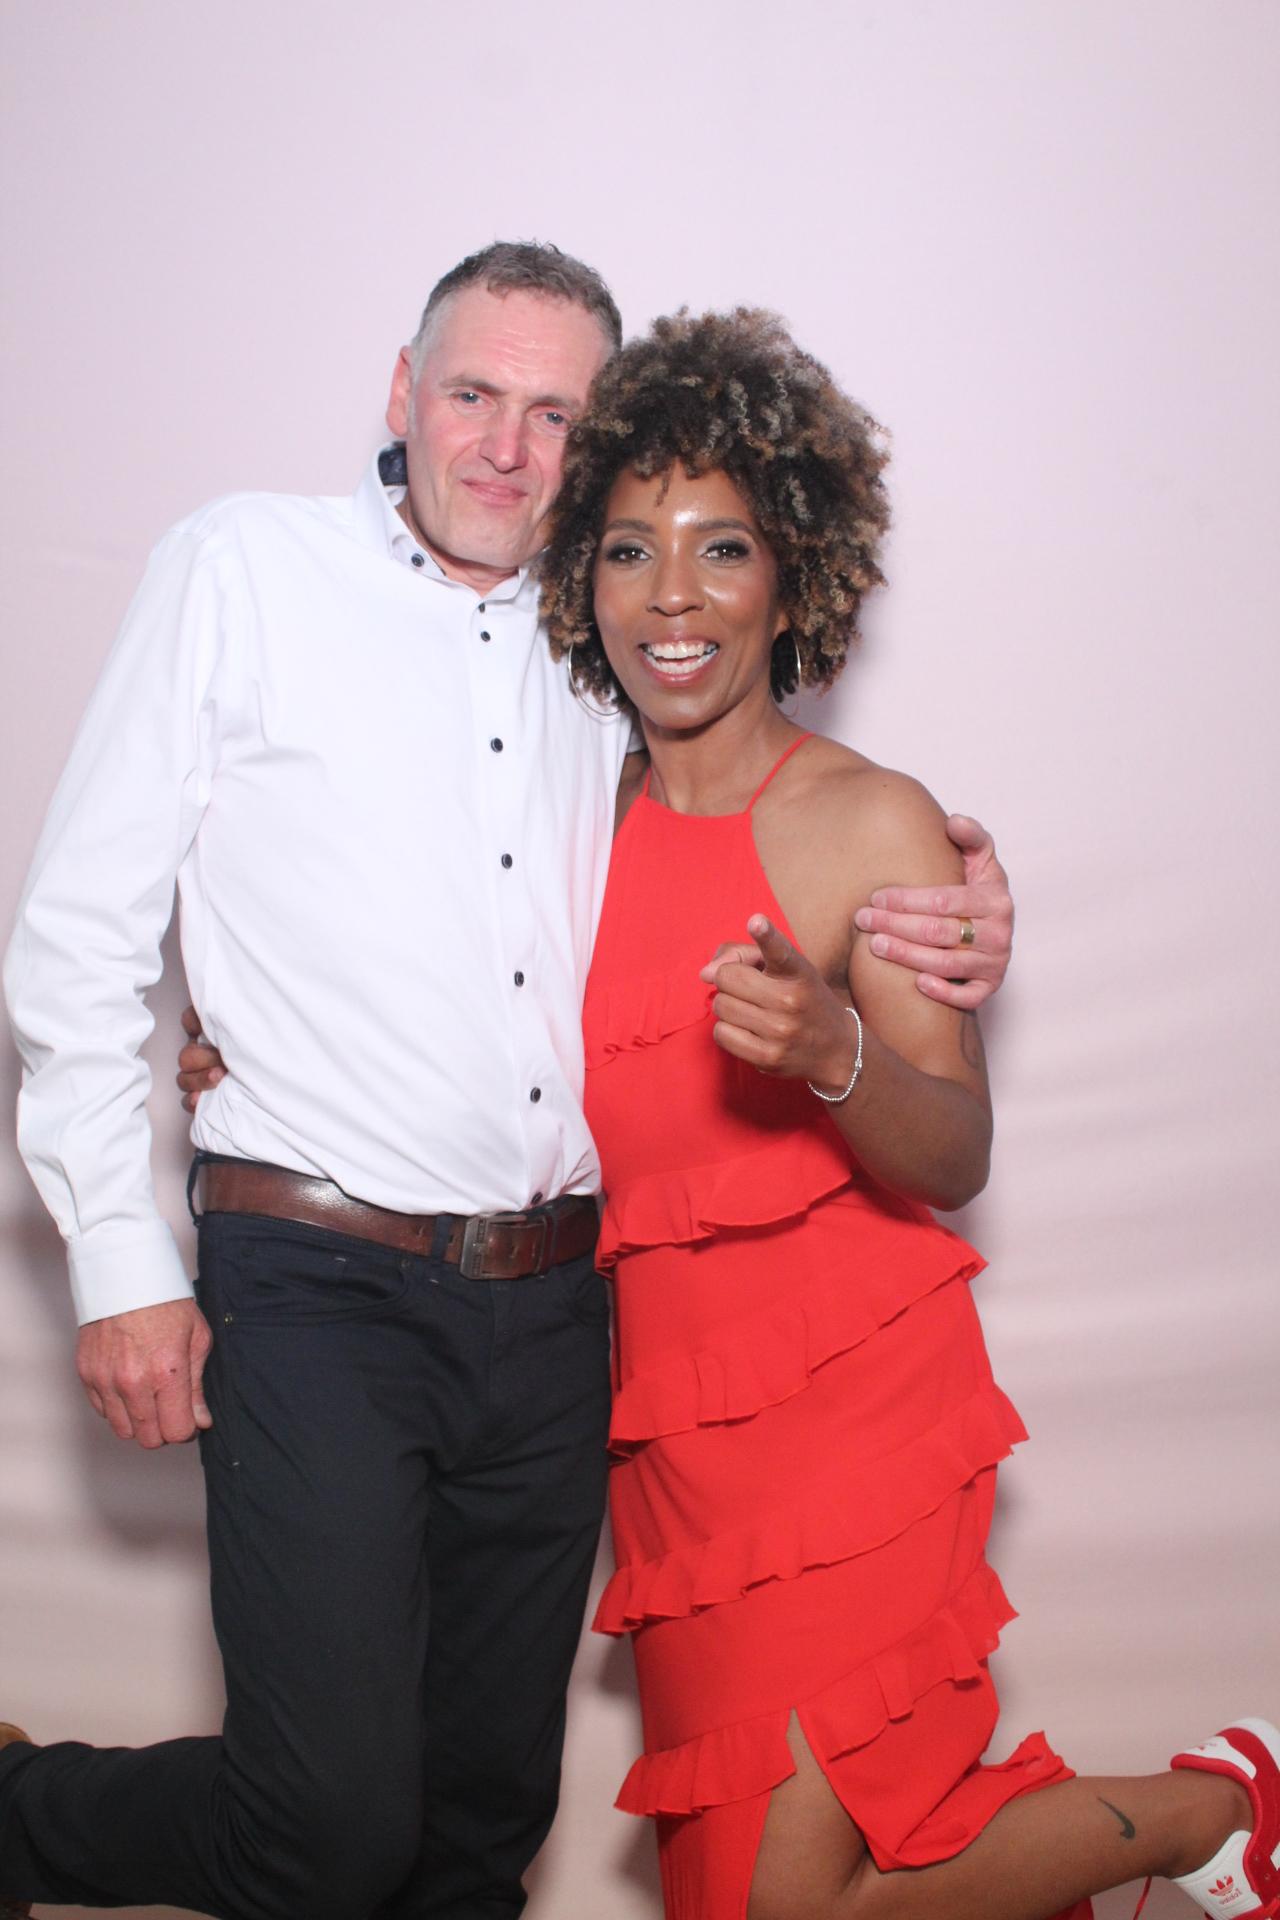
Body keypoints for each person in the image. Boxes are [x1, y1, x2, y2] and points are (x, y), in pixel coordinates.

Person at [0, 246, 1015, 1920]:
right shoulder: (243, 567)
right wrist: (120, 1255)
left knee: (480, 1822)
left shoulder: (605, 640)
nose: (503, 444)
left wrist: (953, 911)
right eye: (472, 393)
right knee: (328, 1830)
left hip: (556, 1311)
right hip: (317, 1276)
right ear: (402, 393)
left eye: (554, 415)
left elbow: (662, 875)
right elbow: (76, 934)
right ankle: (20, 1814)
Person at [530, 307, 1278, 1920]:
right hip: (673, 1448)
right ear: (582, 583)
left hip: (855, 1426)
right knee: (750, 1898)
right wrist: (233, 1048)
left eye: (724, 548)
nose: (672, 595)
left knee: (793, 1906)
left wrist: (833, 1057)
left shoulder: (869, 820)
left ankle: (1213, 1810)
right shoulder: (563, 824)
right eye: (630, 549)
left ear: (793, 576)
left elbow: (957, 1149)